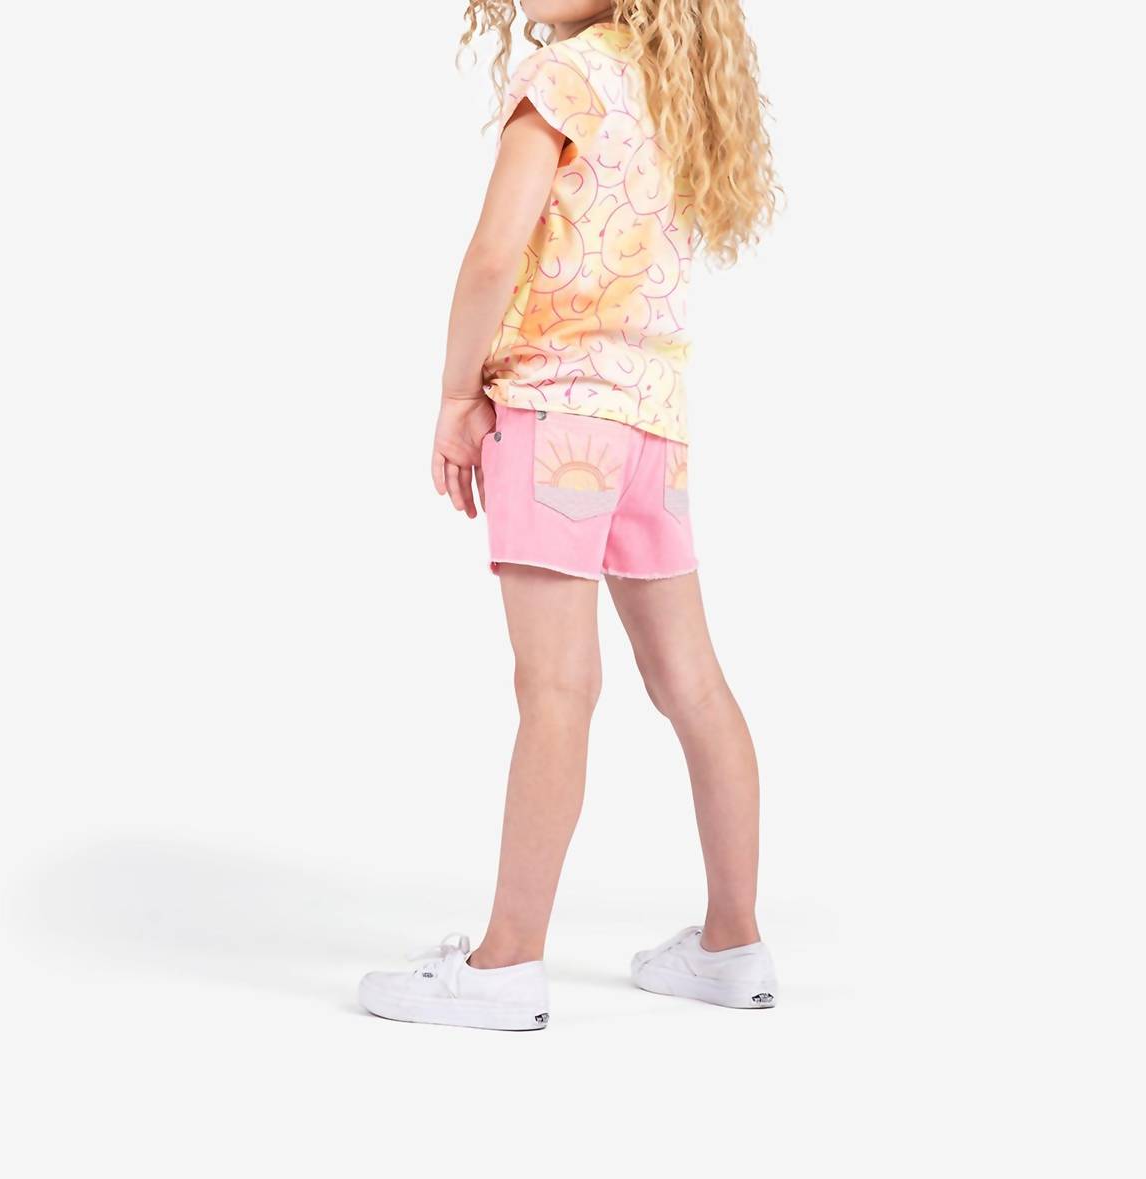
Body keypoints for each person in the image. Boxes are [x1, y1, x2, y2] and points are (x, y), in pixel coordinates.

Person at [359, 0, 780, 1029]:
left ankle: (505, 963)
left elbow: (492, 255)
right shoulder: (678, 89)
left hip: (555, 416)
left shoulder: (562, 81)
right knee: (693, 683)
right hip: (652, 424)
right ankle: (733, 944)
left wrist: (456, 395)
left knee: (556, 687)